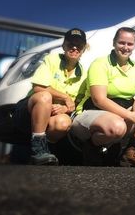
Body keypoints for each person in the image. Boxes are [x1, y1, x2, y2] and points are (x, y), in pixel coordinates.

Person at [72, 27, 135, 167]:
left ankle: (131, 152)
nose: (125, 47)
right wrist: (130, 115)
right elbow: (99, 99)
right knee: (117, 126)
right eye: (121, 43)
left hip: (120, 114)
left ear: (134, 45)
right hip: (92, 112)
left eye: (130, 44)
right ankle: (91, 146)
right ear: (114, 43)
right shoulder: (100, 63)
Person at [12, 28, 88, 165]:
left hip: (53, 115)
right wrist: (65, 97)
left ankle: (43, 151)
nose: (75, 48)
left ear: (84, 49)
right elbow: (38, 87)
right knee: (44, 97)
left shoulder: (84, 75)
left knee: (64, 123)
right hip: (29, 112)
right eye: (71, 44)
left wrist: (65, 109)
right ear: (64, 45)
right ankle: (38, 149)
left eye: (79, 45)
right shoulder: (51, 60)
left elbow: (78, 103)